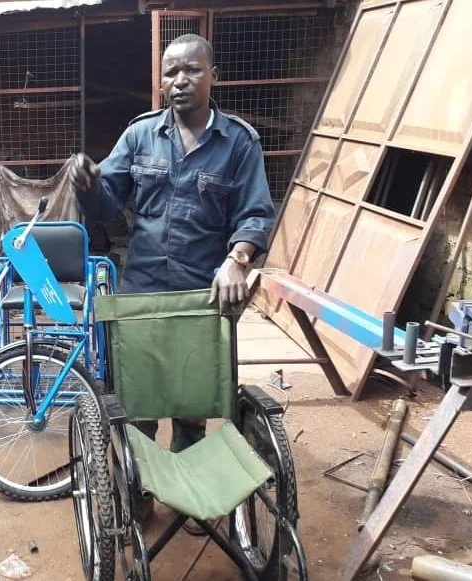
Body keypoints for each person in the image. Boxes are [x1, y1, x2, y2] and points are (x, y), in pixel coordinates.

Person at [71, 34, 275, 454]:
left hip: (202, 293)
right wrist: (90, 185)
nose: (181, 80)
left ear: (212, 76)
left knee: (192, 400)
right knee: (139, 403)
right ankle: (141, 493)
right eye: (171, 72)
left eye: (192, 70)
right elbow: (108, 204)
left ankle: (188, 492)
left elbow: (255, 213)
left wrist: (238, 259)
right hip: (143, 292)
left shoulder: (238, 143)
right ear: (161, 83)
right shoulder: (139, 136)